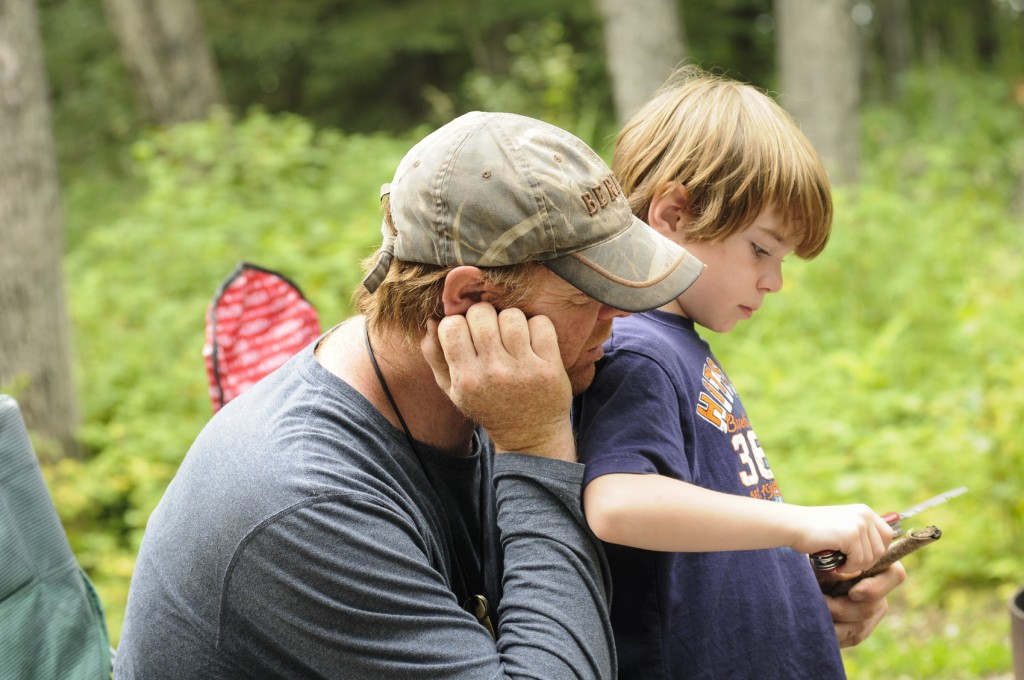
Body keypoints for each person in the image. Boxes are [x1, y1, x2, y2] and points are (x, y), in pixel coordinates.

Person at [114, 111, 706, 679]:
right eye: (589, 298)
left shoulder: (466, 390)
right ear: (470, 298)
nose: (621, 317)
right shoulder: (306, 502)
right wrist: (536, 448)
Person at [573, 67, 906, 680]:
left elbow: (705, 535)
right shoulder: (637, 350)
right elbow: (617, 502)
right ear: (672, 214)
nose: (773, 281)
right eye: (761, 249)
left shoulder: (678, 346)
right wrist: (802, 523)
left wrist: (801, 580)